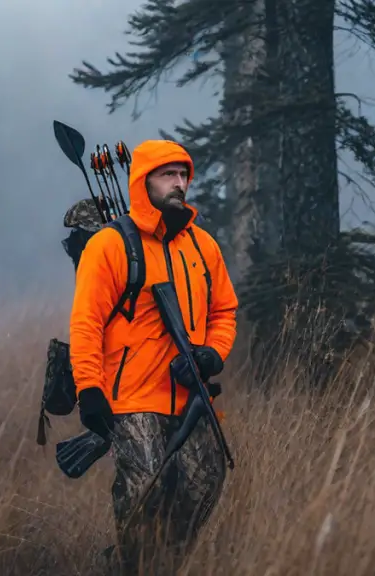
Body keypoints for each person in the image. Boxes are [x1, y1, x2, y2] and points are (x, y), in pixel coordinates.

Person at [68, 139, 239, 573]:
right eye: (168, 175)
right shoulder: (110, 245)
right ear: (143, 181)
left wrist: (211, 357)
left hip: (191, 397)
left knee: (205, 483)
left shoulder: (204, 247)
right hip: (132, 399)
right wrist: (89, 388)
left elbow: (224, 311)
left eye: (184, 174)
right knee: (144, 486)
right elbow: (86, 322)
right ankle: (135, 565)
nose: (179, 183)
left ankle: (158, 564)